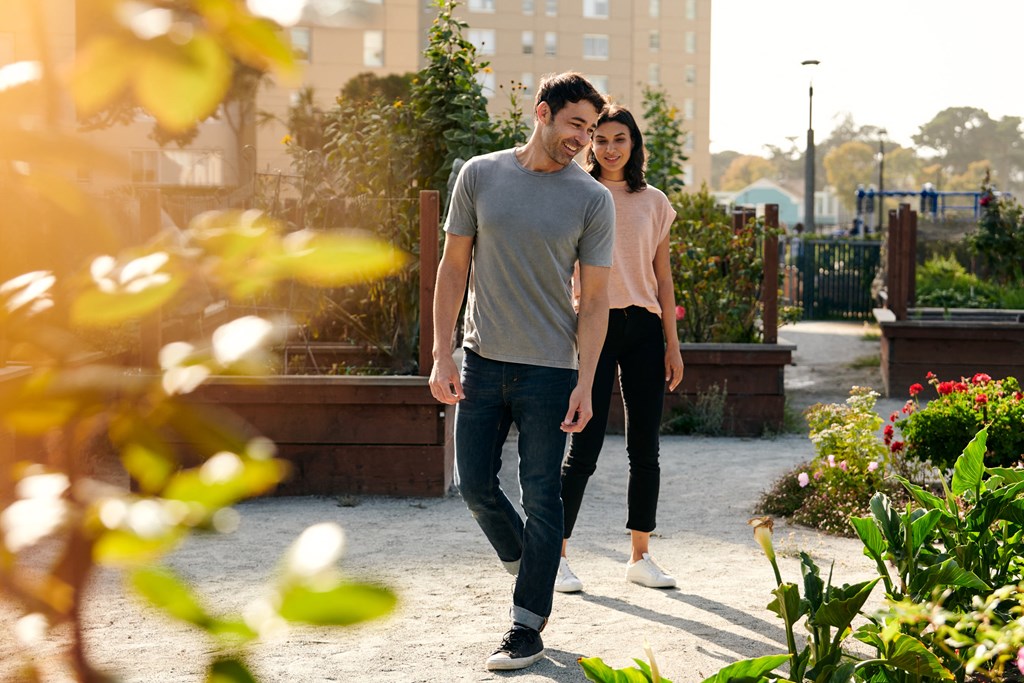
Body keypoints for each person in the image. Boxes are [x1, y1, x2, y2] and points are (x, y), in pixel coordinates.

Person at [428, 72, 615, 672]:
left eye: (590, 129)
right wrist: (441, 351)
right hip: (482, 361)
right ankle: (533, 561)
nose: (583, 139)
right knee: (476, 485)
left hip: (550, 371)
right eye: (575, 125)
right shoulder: (479, 175)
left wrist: (587, 381)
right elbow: (453, 268)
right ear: (542, 113)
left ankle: (526, 626)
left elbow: (597, 301)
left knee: (542, 497)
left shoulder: (592, 198)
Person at [556, 104, 684, 594]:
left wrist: (673, 344)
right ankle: (558, 557)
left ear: (634, 144)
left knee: (644, 448)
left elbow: (664, 276)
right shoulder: (578, 193)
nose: (609, 148)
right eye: (601, 139)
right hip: (594, 327)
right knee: (582, 445)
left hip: (646, 329)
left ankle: (640, 556)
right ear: (591, 143)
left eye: (619, 139)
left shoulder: (655, 201)